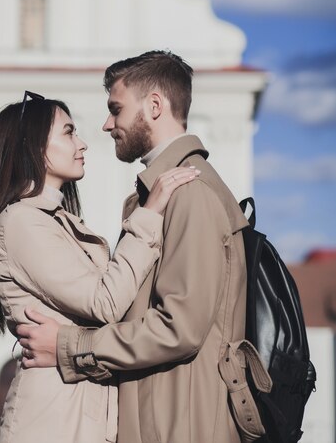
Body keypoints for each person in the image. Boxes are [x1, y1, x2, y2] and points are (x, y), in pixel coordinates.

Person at [17, 50, 252, 443]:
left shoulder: (190, 192)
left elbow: (179, 328)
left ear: (154, 106)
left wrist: (69, 346)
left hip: (181, 426)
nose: (107, 125)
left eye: (116, 109)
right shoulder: (160, 193)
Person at [0, 92, 198, 443]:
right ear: (33, 147)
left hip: (81, 414)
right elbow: (106, 302)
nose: (82, 144)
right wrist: (149, 215)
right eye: (68, 132)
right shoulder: (21, 223)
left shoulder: (57, 222)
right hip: (52, 421)